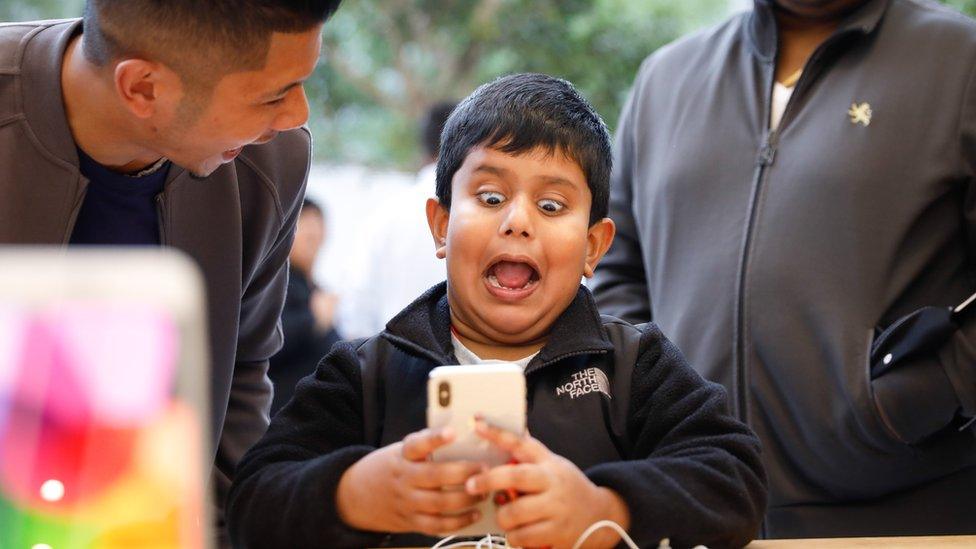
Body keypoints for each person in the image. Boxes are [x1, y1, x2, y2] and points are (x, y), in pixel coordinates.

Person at [226, 73, 767, 549]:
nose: (517, 221)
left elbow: (734, 479)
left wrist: (605, 508)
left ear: (593, 248)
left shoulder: (634, 366)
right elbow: (254, 502)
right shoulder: (366, 374)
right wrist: (354, 494)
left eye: (551, 205)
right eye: (489, 197)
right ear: (440, 226)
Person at [590, 0, 976, 538]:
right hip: (693, 511)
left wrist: (913, 400)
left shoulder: (960, 60)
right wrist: (654, 406)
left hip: (905, 512)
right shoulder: (665, 78)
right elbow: (614, 268)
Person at [0, 0, 342, 539]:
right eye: (272, 94)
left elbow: (243, 370)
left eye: (301, 83)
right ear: (142, 87)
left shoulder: (271, 160)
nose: (296, 116)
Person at [336, 101, 458, 338]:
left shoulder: (383, 217)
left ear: (423, 149)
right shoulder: (490, 217)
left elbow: (354, 315)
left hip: (388, 362)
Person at [269, 198, 342, 414]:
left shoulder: (314, 288)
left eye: (317, 224)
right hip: (283, 414)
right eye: (304, 225)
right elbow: (266, 344)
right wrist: (312, 319)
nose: (312, 233)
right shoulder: (276, 284)